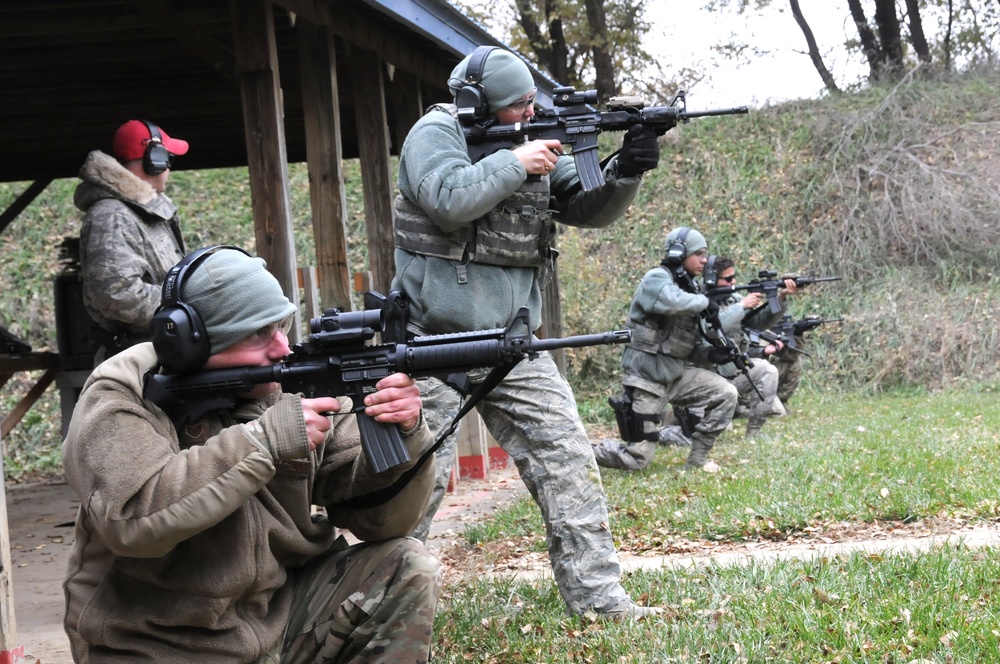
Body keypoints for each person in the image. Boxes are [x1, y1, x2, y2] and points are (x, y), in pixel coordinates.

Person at [62, 246, 441, 663]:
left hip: (277, 625)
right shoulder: (123, 397)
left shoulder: (281, 382)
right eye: (259, 335)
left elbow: (381, 522)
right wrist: (265, 441)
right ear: (192, 342)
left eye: (281, 327)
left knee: (405, 565)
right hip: (157, 644)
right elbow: (134, 519)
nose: (282, 347)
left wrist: (404, 433)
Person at [390, 45, 662, 619]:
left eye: (530, 104)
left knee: (567, 460)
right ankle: (380, 608)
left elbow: (585, 204)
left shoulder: (524, 138)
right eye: (516, 107)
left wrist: (627, 169)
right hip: (430, 344)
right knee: (416, 486)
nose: (527, 115)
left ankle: (599, 601)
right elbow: (447, 199)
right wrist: (518, 161)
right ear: (475, 103)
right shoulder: (432, 134)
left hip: (513, 343)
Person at [593, 227, 738, 473]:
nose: (705, 260)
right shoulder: (657, 279)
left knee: (726, 393)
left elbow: (689, 345)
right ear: (679, 253)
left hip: (676, 375)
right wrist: (705, 301)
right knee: (636, 459)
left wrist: (711, 353)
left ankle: (697, 461)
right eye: (699, 253)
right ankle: (579, 452)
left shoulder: (691, 290)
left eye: (706, 253)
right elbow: (671, 301)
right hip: (647, 379)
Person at [75, 119, 189, 361]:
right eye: (169, 160)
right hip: (135, 360)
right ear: (155, 160)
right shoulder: (111, 215)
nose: (169, 168)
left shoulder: (144, 212)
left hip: (158, 352)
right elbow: (116, 295)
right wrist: (190, 305)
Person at [661, 256, 791, 445]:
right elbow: (709, 328)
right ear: (712, 279)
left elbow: (759, 323)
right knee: (717, 431)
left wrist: (781, 298)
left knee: (768, 370)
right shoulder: (695, 300)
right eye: (728, 279)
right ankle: (666, 426)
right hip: (701, 380)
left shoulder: (733, 299)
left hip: (730, 375)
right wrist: (741, 307)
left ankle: (754, 433)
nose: (734, 282)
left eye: (734, 277)